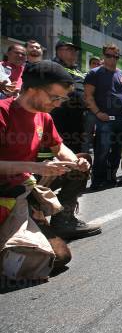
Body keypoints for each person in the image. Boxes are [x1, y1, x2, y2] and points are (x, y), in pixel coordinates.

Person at [1, 61, 100, 245]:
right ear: (32, 89)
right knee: (56, 259)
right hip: (6, 191)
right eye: (55, 98)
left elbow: (59, 147)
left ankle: (63, 220)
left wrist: (74, 162)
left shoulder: (44, 116)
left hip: (27, 183)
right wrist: (37, 167)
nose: (58, 104)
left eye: (62, 99)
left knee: (82, 159)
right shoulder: (3, 112)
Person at [84, 44, 122, 189]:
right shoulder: (94, 73)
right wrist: (98, 113)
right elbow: (88, 96)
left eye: (115, 56)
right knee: (102, 151)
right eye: (109, 55)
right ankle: (97, 180)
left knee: (117, 151)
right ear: (103, 55)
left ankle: (110, 178)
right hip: (105, 120)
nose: (112, 59)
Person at [51, 41, 88, 154]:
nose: (74, 52)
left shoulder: (78, 71)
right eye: (69, 49)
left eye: (74, 50)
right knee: (57, 147)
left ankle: (73, 170)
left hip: (78, 117)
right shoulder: (51, 67)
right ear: (59, 51)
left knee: (76, 149)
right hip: (59, 115)